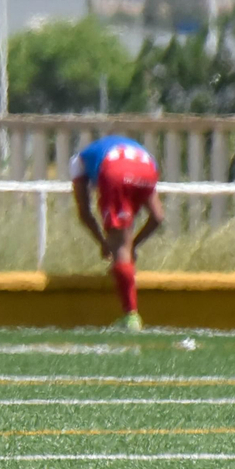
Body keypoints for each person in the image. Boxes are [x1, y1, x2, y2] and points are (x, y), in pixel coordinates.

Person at [70, 135, 162, 331]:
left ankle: (130, 316)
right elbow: (157, 217)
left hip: (115, 170)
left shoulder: (78, 161)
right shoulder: (123, 148)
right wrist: (133, 245)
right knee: (126, 242)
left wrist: (104, 243)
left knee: (119, 245)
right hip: (147, 166)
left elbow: (84, 213)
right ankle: (129, 299)